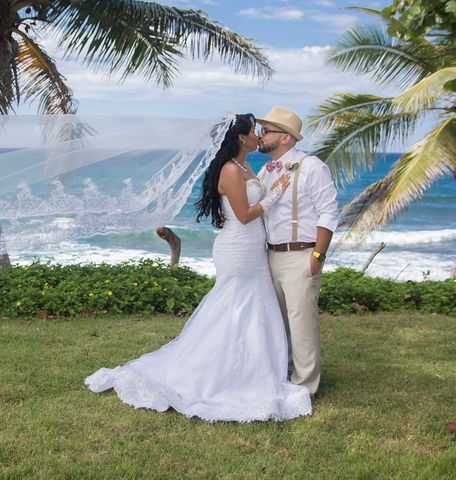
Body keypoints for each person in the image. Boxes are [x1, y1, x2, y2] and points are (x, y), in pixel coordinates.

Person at [84, 113, 312, 422]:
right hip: (238, 247)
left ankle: (252, 369)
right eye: (253, 132)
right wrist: (276, 193)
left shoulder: (246, 166)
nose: (258, 135)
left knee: (254, 306)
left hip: (253, 247)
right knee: (235, 305)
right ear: (240, 138)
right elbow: (244, 215)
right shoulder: (231, 170)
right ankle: (218, 372)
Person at [256, 106, 339, 397]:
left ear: (287, 138)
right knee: (277, 323)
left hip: (301, 255)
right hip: (270, 256)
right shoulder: (265, 171)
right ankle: (284, 375)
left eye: (266, 131)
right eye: (260, 130)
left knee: (302, 323)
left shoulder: (312, 167)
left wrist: (317, 256)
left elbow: (328, 213)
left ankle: (306, 388)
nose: (260, 135)